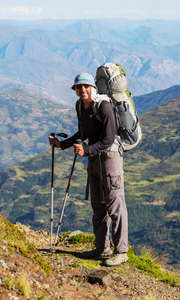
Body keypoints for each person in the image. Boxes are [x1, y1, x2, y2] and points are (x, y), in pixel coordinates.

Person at [49, 72, 129, 266]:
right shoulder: (80, 106)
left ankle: (121, 251)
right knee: (98, 204)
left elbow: (109, 138)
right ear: (75, 90)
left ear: (93, 87)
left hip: (110, 157)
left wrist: (86, 150)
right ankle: (102, 248)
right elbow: (83, 132)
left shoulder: (105, 106)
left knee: (115, 204)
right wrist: (63, 145)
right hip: (93, 157)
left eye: (85, 86)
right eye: (78, 87)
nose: (82, 90)